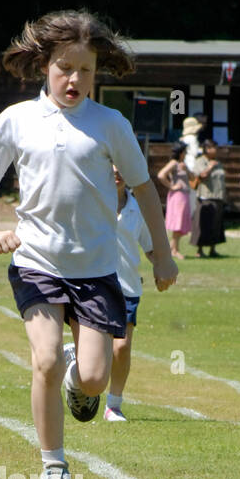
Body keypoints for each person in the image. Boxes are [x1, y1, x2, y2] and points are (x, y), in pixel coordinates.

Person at [0, 9, 177, 479]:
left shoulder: (110, 125)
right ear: (45, 66)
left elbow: (146, 191)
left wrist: (162, 255)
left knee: (94, 379)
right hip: (37, 262)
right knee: (42, 359)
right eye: (65, 67)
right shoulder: (16, 120)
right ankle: (53, 467)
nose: (75, 79)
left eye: (85, 69)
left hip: (97, 269)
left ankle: (75, 371)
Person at [97, 165, 154, 421]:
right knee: (97, 350)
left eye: (122, 169)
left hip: (128, 286)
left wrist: (162, 265)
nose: (117, 174)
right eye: (113, 170)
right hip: (94, 283)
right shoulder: (93, 201)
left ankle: (114, 404)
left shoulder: (138, 208)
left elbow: (150, 246)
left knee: (121, 348)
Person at [190, 138, 226, 257]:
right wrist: (210, 167)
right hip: (205, 196)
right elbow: (201, 175)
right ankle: (199, 250)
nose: (215, 150)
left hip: (218, 196)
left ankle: (213, 249)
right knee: (202, 224)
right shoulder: (200, 161)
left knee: (216, 224)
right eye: (212, 147)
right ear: (207, 149)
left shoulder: (219, 162)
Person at [156, 140, 191, 258]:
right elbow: (161, 175)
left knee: (181, 223)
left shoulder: (182, 164)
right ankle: (174, 250)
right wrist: (172, 186)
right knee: (178, 223)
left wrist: (186, 170)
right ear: (181, 152)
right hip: (178, 196)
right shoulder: (174, 163)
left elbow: (193, 177)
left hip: (184, 195)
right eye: (185, 152)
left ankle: (173, 248)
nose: (186, 154)